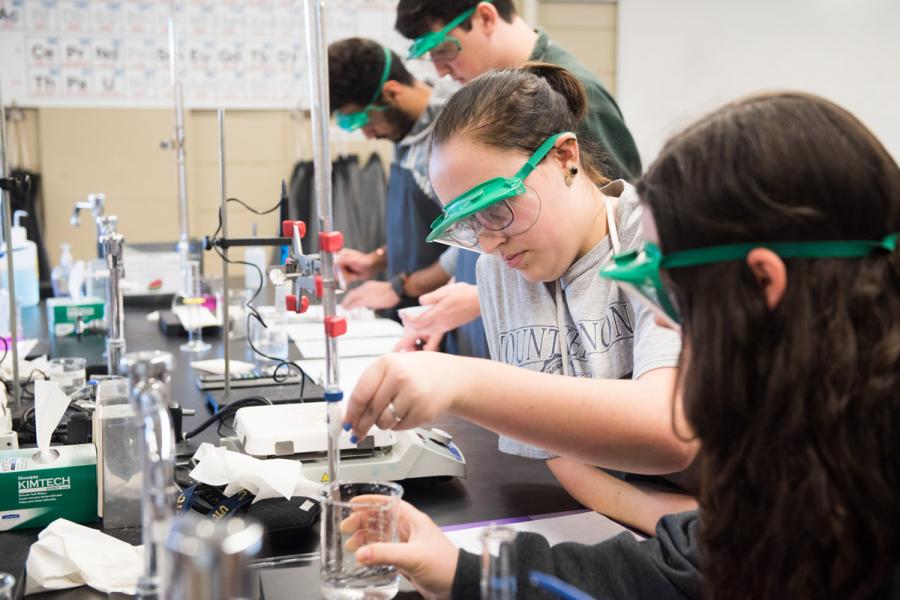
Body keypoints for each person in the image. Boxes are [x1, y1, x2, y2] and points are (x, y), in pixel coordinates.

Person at [343, 92, 900, 599]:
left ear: (762, 284)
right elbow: (687, 563)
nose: (661, 321)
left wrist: (464, 382)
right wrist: (466, 573)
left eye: (664, 286)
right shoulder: (821, 441)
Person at [349, 63, 695, 533]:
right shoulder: (500, 271)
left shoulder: (652, 235)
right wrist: (665, 524)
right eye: (469, 225)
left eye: (496, 209)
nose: (488, 244)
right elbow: (558, 455)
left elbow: (668, 429)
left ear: (565, 157)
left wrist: (463, 381)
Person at [393, 0, 641, 352]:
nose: (441, 70)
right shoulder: (496, 272)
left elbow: (607, 241)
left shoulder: (579, 101)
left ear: (484, 16)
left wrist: (486, 300)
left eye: (444, 49)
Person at [327, 38, 452, 315]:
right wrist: (375, 260)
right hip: (413, 309)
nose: (367, 135)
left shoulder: (451, 135)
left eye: (362, 121)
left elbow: (467, 252)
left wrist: (397, 287)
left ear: (392, 92)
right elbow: (427, 233)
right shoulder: (404, 131)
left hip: (444, 315)